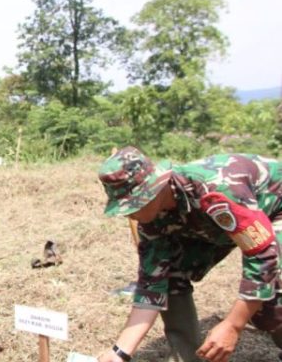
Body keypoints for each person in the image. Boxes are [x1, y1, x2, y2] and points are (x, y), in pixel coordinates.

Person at [97, 146, 282, 362]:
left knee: (270, 302)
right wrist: (119, 352)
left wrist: (233, 325)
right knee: (168, 274)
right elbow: (152, 285)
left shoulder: (216, 190)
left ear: (154, 189)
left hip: (274, 208)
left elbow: (263, 257)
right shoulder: (152, 221)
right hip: (217, 226)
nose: (129, 214)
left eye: (132, 204)